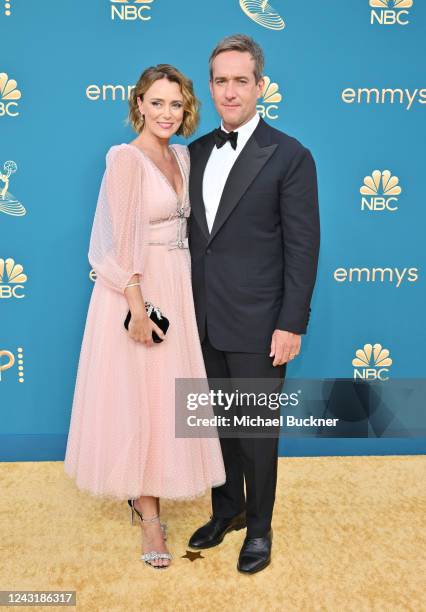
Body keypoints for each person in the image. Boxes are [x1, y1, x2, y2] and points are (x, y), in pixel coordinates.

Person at [64, 64, 226, 570]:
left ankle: (152, 492)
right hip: (139, 289)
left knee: (168, 395)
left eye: (175, 104)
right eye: (156, 103)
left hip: (177, 284)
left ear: (186, 108)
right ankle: (149, 518)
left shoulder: (181, 154)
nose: (166, 113)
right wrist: (136, 308)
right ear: (138, 104)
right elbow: (113, 242)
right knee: (140, 397)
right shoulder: (124, 159)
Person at [187, 35, 320, 574]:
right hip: (200, 321)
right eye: (221, 80)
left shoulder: (290, 155)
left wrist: (292, 323)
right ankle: (227, 511)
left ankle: (259, 530)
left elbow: (303, 246)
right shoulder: (192, 152)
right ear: (211, 86)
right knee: (215, 429)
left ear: (260, 86)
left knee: (257, 437)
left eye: (242, 80)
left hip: (261, 325)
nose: (230, 91)